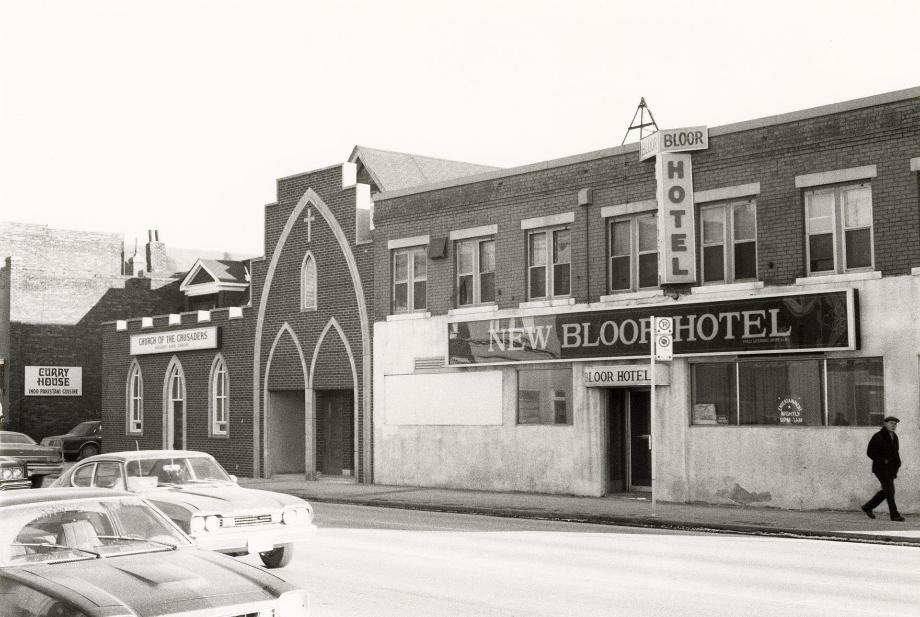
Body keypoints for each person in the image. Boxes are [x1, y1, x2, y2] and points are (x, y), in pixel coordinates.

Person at [861, 416, 905, 521]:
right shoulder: (878, 436)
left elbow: (895, 453)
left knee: (887, 491)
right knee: (889, 491)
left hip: (890, 469)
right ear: (885, 424)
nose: (893, 426)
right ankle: (894, 515)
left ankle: (868, 507)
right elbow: (870, 452)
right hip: (880, 468)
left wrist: (898, 464)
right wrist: (883, 460)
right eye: (891, 423)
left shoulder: (894, 436)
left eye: (895, 424)